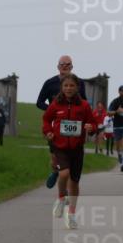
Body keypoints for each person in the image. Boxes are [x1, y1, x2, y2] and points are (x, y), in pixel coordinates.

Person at [42, 73, 96, 229]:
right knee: (64, 173)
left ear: (77, 87)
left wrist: (90, 128)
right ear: (62, 88)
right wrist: (48, 132)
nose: (68, 88)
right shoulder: (55, 104)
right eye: (66, 85)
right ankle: (60, 198)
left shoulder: (84, 105)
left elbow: (92, 122)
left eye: (72, 85)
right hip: (60, 146)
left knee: (74, 182)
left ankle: (71, 214)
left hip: (77, 148)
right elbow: (46, 119)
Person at [37, 56, 87, 188]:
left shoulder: (79, 82)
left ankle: (65, 184)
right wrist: (54, 110)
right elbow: (39, 102)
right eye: (62, 64)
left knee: (71, 161)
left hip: (74, 125)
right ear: (57, 66)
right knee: (55, 157)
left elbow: (85, 102)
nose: (65, 66)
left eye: (67, 64)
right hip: (56, 124)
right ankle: (55, 171)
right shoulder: (49, 83)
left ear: (72, 66)